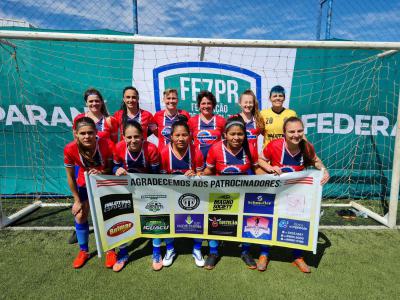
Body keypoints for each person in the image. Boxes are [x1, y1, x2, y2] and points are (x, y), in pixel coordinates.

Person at [258, 116, 330, 273]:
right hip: (276, 191)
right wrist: (270, 168)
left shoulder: (306, 146)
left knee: (298, 222)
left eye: (299, 131)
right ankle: (264, 254)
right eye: (291, 131)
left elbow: (316, 161)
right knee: (268, 220)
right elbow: (261, 160)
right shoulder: (274, 145)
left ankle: (297, 256)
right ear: (284, 132)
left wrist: (324, 170)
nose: (296, 135)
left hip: (296, 193)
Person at [203, 117, 263, 270]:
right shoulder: (215, 148)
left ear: (245, 135)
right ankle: (214, 252)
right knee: (214, 221)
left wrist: (271, 179)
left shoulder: (250, 148)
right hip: (219, 194)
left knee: (247, 221)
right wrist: (195, 180)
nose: (236, 137)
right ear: (225, 135)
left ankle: (245, 251)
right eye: (232, 134)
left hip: (243, 194)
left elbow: (256, 169)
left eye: (240, 134)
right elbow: (209, 171)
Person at [64, 117, 116, 269]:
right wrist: (76, 200)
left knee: (108, 214)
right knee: (80, 214)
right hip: (84, 182)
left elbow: (112, 167)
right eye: (83, 133)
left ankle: (111, 249)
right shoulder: (70, 149)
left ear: (96, 133)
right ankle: (84, 251)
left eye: (90, 133)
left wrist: (101, 171)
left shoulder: (106, 143)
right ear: (76, 134)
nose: (87, 136)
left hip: (105, 182)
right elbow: (70, 176)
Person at [113, 120, 160, 271]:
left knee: (154, 218)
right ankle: (123, 253)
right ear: (124, 138)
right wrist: (117, 170)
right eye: (129, 137)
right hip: (125, 190)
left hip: (148, 190)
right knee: (122, 219)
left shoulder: (151, 149)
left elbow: (156, 174)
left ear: (142, 136)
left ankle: (157, 252)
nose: (133, 140)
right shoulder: (119, 148)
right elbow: (114, 165)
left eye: (136, 136)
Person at [159, 119, 205, 270]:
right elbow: (159, 179)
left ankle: (197, 249)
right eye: (177, 135)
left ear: (190, 136)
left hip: (192, 193)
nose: (181, 138)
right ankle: (170, 248)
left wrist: (197, 174)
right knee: (167, 217)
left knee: (198, 216)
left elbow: (202, 174)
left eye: (184, 135)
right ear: (171, 136)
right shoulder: (164, 152)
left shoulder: (196, 151)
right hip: (170, 193)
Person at [188, 90, 226, 162]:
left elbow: (226, 141)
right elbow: (189, 142)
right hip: (197, 160)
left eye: (209, 103)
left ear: (213, 105)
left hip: (216, 161)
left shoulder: (221, 121)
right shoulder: (192, 121)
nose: (206, 106)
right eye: (203, 103)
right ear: (199, 105)